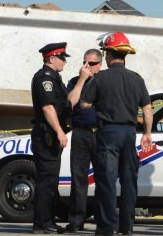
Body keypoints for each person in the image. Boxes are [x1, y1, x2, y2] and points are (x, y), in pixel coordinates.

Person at [80, 31, 153, 236]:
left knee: (107, 180)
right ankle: (127, 226)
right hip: (129, 134)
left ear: (109, 55)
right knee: (129, 181)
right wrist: (147, 133)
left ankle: (107, 227)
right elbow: (147, 110)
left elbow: (84, 104)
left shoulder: (100, 78)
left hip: (107, 133)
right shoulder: (137, 79)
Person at [31, 42, 91, 234]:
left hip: (52, 137)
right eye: (61, 57)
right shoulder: (44, 79)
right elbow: (48, 108)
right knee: (46, 182)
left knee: (51, 181)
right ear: (51, 58)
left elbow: (68, 104)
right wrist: (59, 131)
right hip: (46, 136)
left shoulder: (56, 79)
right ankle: (42, 224)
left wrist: (82, 80)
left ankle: (47, 221)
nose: (64, 61)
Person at [65, 48, 103, 232]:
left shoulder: (104, 81)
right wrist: (81, 79)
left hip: (101, 133)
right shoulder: (74, 81)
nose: (87, 67)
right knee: (79, 178)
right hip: (81, 133)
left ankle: (101, 219)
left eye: (92, 64)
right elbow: (70, 103)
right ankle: (76, 219)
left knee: (103, 178)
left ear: (100, 65)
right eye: (84, 63)